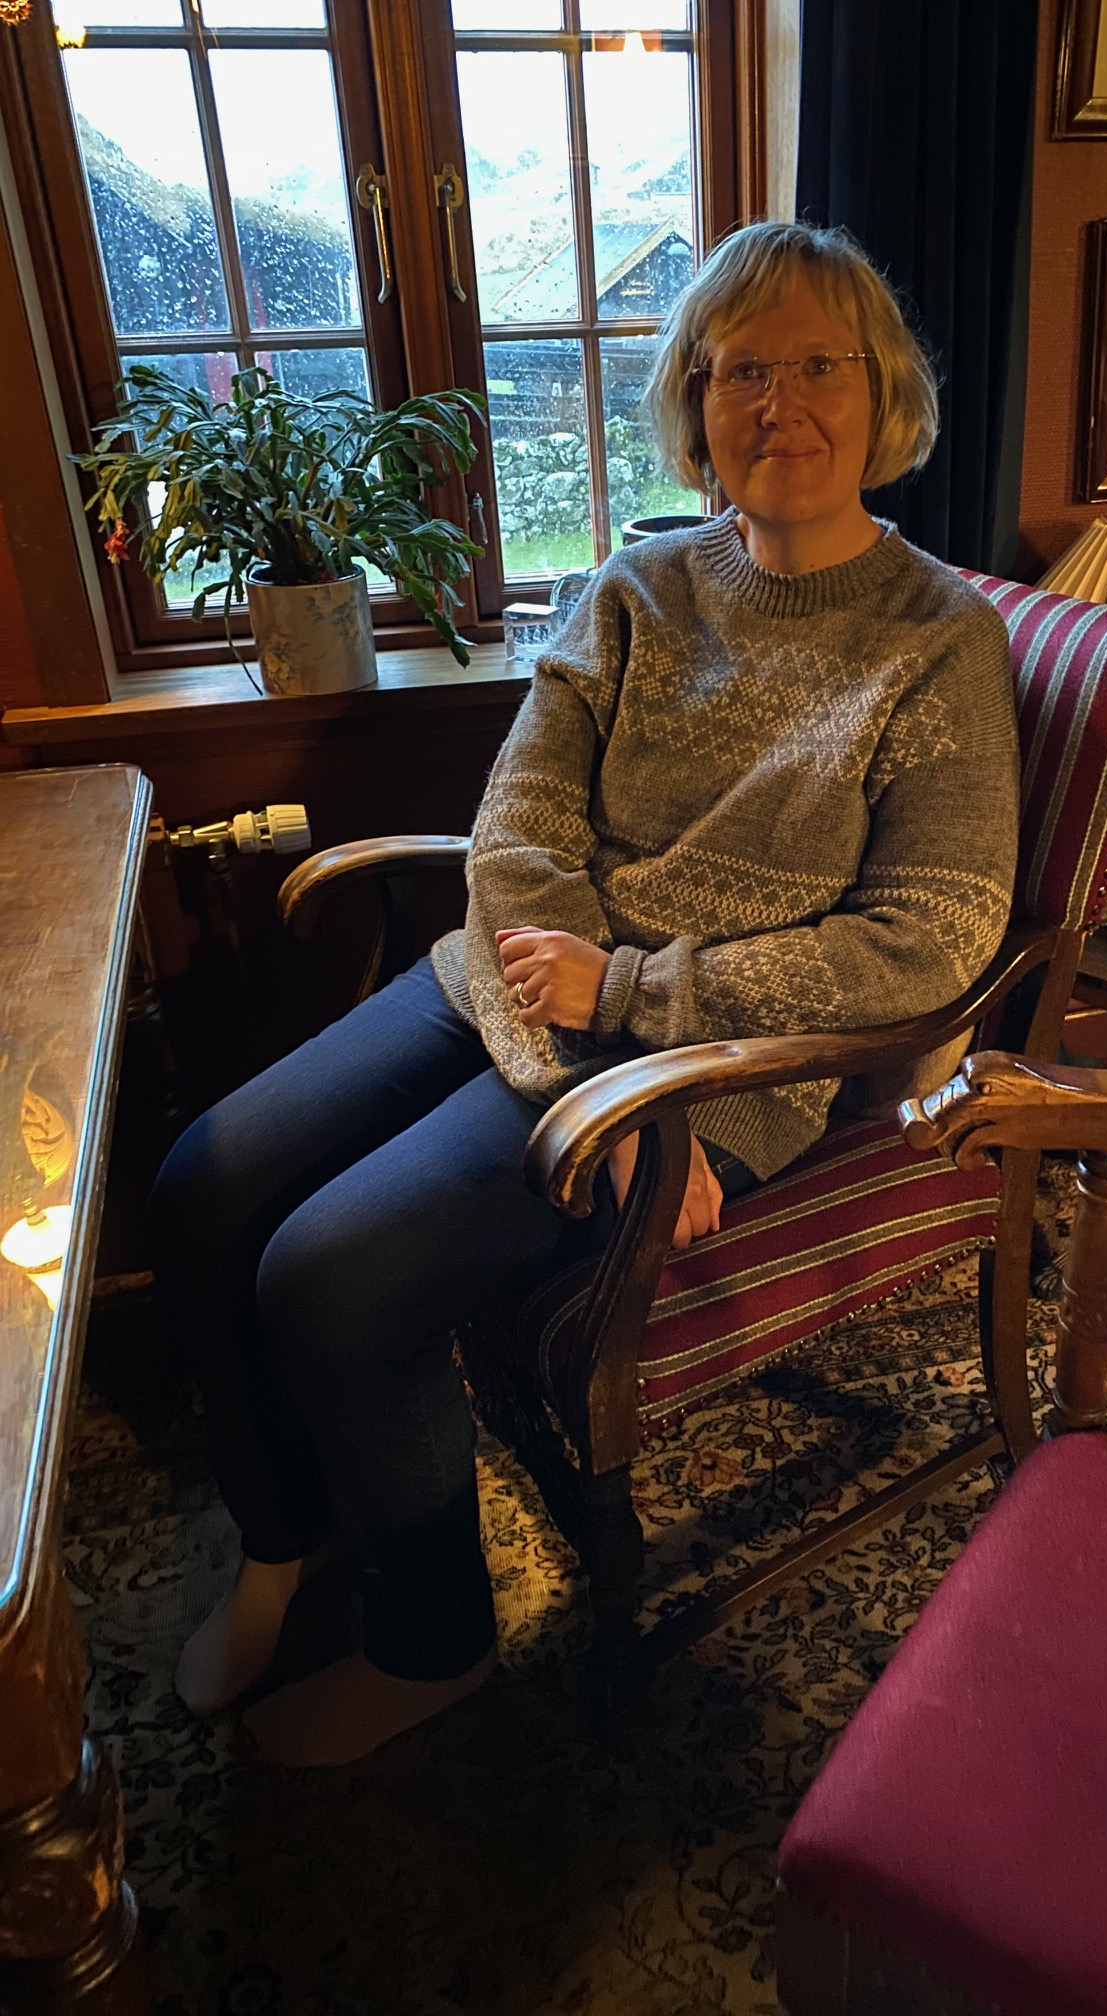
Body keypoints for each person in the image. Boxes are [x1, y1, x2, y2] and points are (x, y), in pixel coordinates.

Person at [147, 219, 1020, 1767]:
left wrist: (630, 1003)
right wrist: (564, 1046)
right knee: (204, 1180)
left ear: (883, 393)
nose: (779, 403)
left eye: (819, 365)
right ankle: (287, 1543)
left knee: (333, 1276)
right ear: (695, 402)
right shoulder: (636, 587)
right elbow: (520, 829)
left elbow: (930, 936)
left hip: (716, 1060)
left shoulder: (938, 641)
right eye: (739, 370)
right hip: (521, 987)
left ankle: (432, 1645)